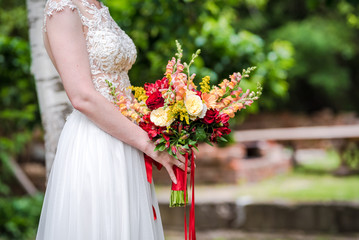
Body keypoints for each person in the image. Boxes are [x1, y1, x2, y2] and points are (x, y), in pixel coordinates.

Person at [36, 0, 189, 239]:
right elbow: (82, 97)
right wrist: (149, 145)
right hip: (96, 142)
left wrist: (162, 127)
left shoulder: (97, 5)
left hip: (126, 138)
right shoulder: (62, 6)